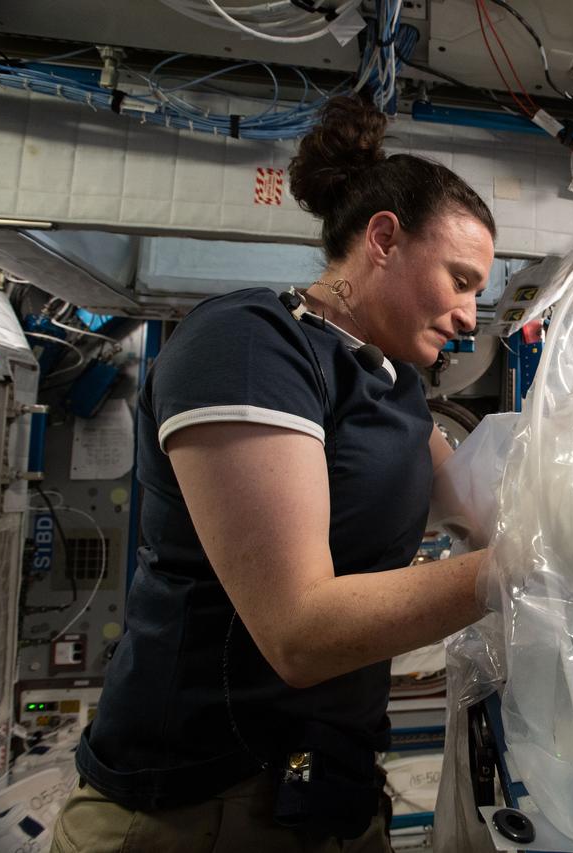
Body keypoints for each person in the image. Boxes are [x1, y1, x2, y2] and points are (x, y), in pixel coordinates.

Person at [50, 94, 497, 853]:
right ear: (384, 238)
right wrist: (534, 565)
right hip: (194, 809)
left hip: (331, 792)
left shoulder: (395, 393)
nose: (470, 314)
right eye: (460, 279)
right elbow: (301, 630)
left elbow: (482, 509)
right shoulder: (250, 347)